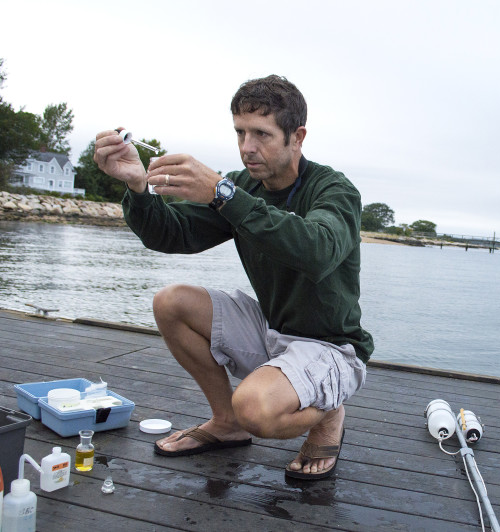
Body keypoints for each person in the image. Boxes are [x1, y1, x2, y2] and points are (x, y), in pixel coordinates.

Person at [93, 75, 373, 480]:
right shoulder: (242, 187)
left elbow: (319, 251)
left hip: (332, 347)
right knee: (171, 303)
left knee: (255, 406)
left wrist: (224, 195)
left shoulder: (334, 189)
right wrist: (138, 188)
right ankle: (226, 423)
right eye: (240, 132)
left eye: (261, 134)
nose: (246, 147)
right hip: (273, 330)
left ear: (297, 137)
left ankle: (328, 411)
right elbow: (174, 234)